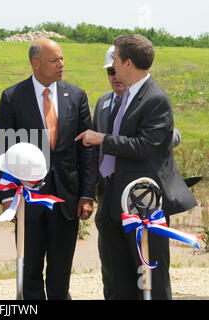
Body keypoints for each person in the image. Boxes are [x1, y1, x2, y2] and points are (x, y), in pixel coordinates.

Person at [76, 34, 197, 299]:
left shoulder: (155, 99)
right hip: (110, 200)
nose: (114, 70)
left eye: (115, 62)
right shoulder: (112, 99)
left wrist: (102, 139)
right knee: (115, 275)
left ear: (128, 63)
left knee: (149, 276)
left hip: (142, 203)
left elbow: (143, 147)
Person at [0, 38, 97, 300]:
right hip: (28, 203)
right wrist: (7, 198)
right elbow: (3, 149)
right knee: (29, 277)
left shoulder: (76, 96)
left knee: (60, 279)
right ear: (35, 63)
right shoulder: (13, 97)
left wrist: (87, 194)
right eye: (54, 60)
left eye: (61, 58)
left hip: (66, 201)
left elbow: (87, 150)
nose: (61, 64)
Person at [93, 45, 128, 300]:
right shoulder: (103, 102)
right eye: (109, 71)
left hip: (134, 197)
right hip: (106, 196)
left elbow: (170, 135)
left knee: (137, 262)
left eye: (118, 70)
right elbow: (96, 149)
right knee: (110, 263)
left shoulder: (147, 100)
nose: (115, 77)